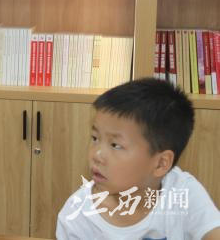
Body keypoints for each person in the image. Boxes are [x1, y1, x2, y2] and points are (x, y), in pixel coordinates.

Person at [56, 78, 220, 239]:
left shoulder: (182, 192)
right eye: (95, 138)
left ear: (160, 164)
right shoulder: (76, 215)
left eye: (115, 145)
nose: (96, 155)